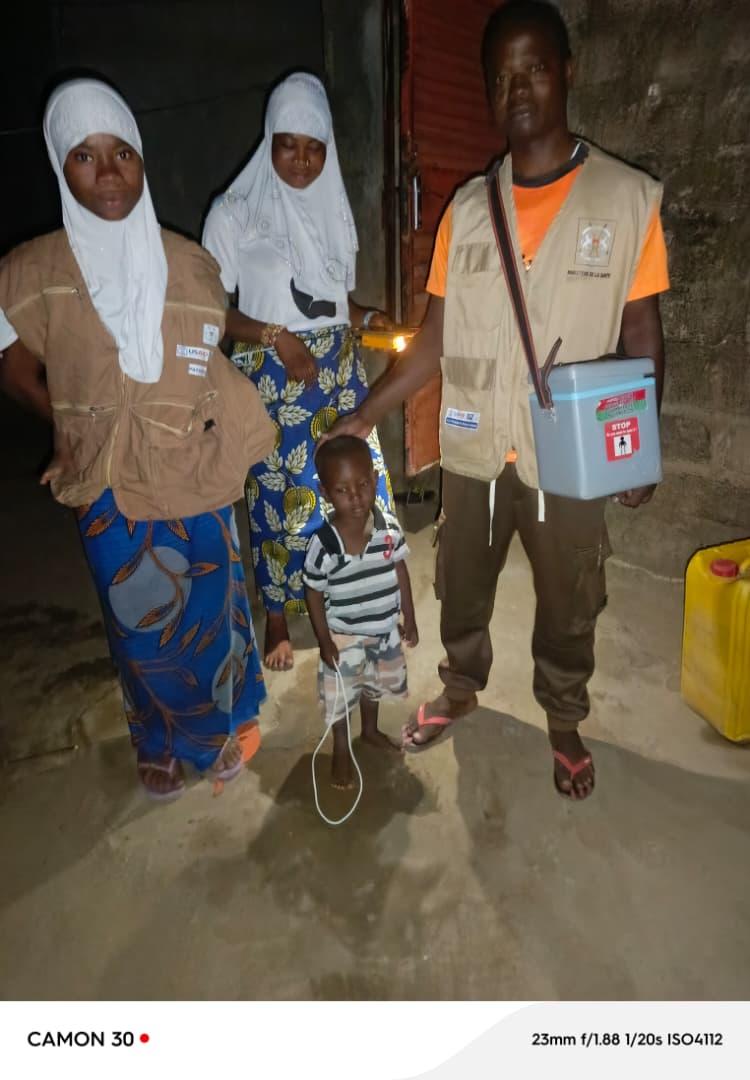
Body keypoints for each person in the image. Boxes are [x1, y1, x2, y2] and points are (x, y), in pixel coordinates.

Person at [327, 0, 669, 799]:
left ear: (568, 73)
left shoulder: (624, 201)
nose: (518, 88)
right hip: (477, 448)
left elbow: (645, 335)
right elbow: (434, 338)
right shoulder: (468, 211)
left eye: (535, 68)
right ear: (488, 91)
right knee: (462, 586)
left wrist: (639, 443)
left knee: (570, 599)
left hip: (571, 455)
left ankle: (563, 718)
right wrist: (364, 416)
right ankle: (459, 686)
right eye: (501, 76)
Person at [0, 78, 276, 801]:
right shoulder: (33, 273)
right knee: (140, 625)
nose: (109, 170)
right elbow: (12, 364)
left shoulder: (188, 265)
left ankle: (220, 720)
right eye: (85, 156)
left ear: (142, 159)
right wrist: (67, 427)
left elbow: (208, 355)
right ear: (61, 166)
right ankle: (161, 737)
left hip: (193, 466)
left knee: (212, 609)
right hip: (107, 481)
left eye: (122, 151)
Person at [202, 72, 394, 673]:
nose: (303, 161)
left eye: (316, 147)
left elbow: (333, 300)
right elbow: (208, 307)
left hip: (337, 373)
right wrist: (274, 336)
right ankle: (280, 615)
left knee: (357, 486)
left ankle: (358, 594)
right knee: (276, 501)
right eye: (290, 144)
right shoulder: (233, 213)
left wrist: (366, 317)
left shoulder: (332, 208)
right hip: (270, 377)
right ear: (270, 140)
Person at [303, 436, 418, 789]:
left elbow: (400, 570)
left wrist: (409, 617)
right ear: (325, 492)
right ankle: (341, 746)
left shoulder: (388, 530)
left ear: (375, 479)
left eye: (364, 484)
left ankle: (369, 730)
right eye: (342, 490)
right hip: (344, 636)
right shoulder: (323, 544)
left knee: (374, 686)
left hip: (384, 630)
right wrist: (324, 640)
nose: (355, 496)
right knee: (342, 694)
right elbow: (313, 591)